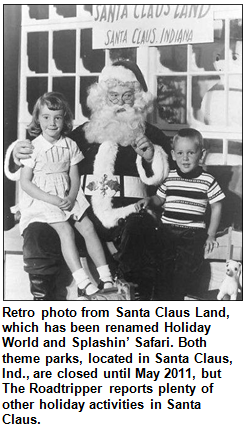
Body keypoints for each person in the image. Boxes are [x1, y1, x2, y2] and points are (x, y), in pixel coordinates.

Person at [5, 61, 170, 300]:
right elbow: (46, 146)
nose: (121, 102)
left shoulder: (151, 134)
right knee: (38, 231)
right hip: (82, 212)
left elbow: (175, 174)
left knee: (139, 230)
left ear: (138, 98)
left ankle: (133, 305)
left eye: (127, 95)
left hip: (129, 212)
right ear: (102, 98)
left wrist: (152, 156)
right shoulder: (81, 133)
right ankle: (42, 304)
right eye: (113, 96)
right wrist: (18, 153)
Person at [19, 92, 114, 300]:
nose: (52, 123)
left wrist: (71, 197)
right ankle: (83, 281)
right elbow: (25, 183)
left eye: (57, 117)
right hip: (43, 199)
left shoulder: (70, 145)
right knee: (65, 229)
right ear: (37, 119)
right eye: (46, 117)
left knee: (87, 227)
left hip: (67, 195)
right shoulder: (33, 147)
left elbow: (74, 176)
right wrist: (51, 199)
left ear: (65, 119)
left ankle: (106, 277)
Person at [135, 128, 225, 300]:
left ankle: (177, 299)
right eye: (180, 153)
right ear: (173, 155)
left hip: (192, 233)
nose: (185, 158)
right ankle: (156, 299)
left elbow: (217, 207)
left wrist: (211, 235)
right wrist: (149, 200)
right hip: (167, 230)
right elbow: (159, 199)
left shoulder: (207, 180)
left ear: (202, 154)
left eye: (191, 152)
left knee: (183, 268)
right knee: (160, 264)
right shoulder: (170, 177)